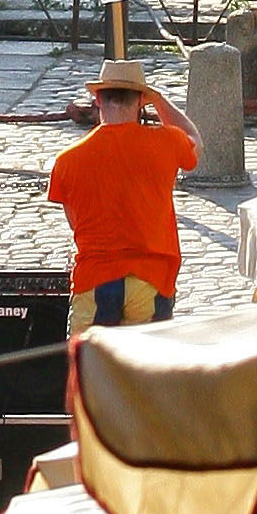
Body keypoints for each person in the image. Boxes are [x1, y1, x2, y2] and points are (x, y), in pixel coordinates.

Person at [48, 57, 201, 328]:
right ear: (141, 100)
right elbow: (196, 141)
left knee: (90, 369)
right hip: (151, 279)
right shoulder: (167, 142)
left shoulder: (67, 160)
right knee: (146, 369)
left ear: (97, 99)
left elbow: (76, 225)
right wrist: (159, 99)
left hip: (95, 279)